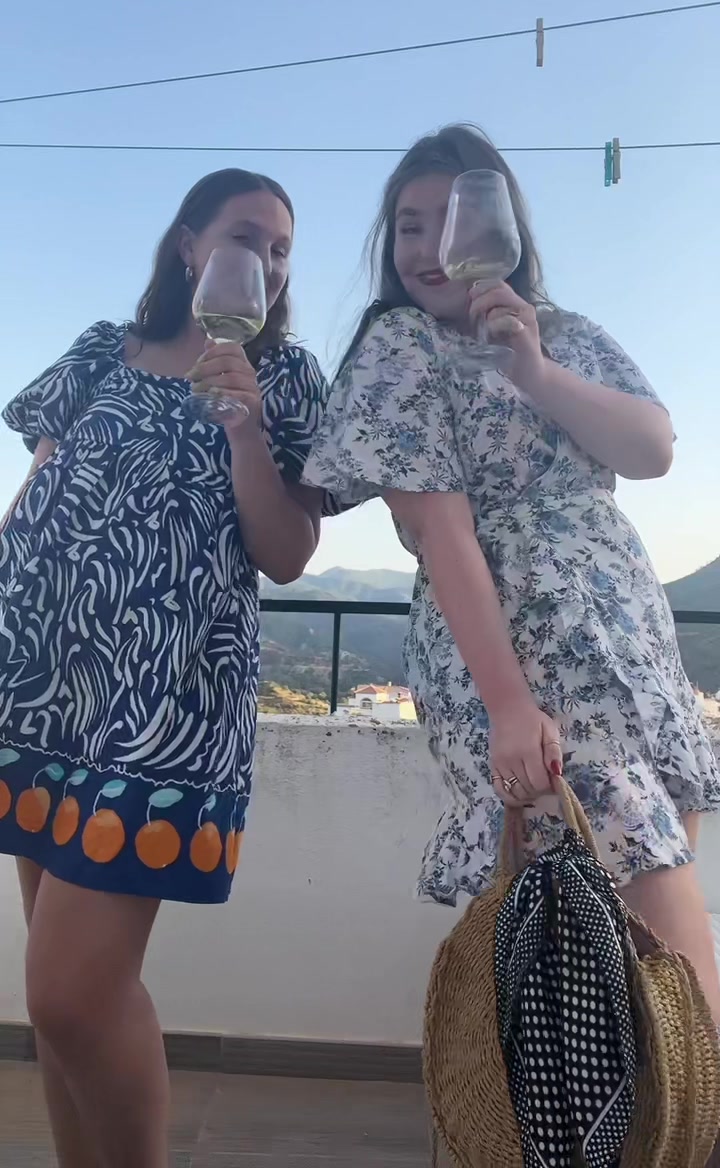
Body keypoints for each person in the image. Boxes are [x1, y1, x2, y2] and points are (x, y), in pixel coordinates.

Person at [302, 123, 720, 1028]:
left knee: (650, 894)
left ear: (501, 230)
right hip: (514, 643)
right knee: (626, 884)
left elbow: (651, 450)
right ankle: (686, 1089)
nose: (427, 247)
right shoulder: (400, 345)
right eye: (408, 225)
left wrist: (531, 367)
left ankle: (654, 1095)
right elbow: (439, 528)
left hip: (626, 627)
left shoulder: (563, 334)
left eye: (450, 220)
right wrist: (507, 704)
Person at [0, 168, 334, 1168]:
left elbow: (286, 554)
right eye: (245, 238)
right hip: (44, 685)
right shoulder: (101, 351)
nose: (268, 262)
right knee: (58, 1006)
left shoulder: (286, 379)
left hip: (163, 708)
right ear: (189, 245)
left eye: (281, 249)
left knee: (74, 992)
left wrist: (244, 427)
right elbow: (37, 494)